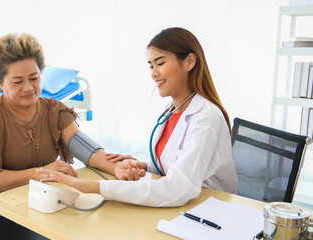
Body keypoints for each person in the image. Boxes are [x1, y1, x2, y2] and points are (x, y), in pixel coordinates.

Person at [0, 32, 145, 239]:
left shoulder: (53, 110)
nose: (28, 88)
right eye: (17, 82)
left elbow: (83, 148)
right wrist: (42, 172)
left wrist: (116, 167)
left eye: (34, 78)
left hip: (41, 197)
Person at [39, 27, 238, 207]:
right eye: (151, 66)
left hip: (209, 210)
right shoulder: (172, 109)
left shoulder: (206, 117)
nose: (153, 73)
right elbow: (178, 164)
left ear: (189, 62)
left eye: (160, 63)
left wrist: (93, 186)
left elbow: (179, 188)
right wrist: (145, 165)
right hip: (184, 205)